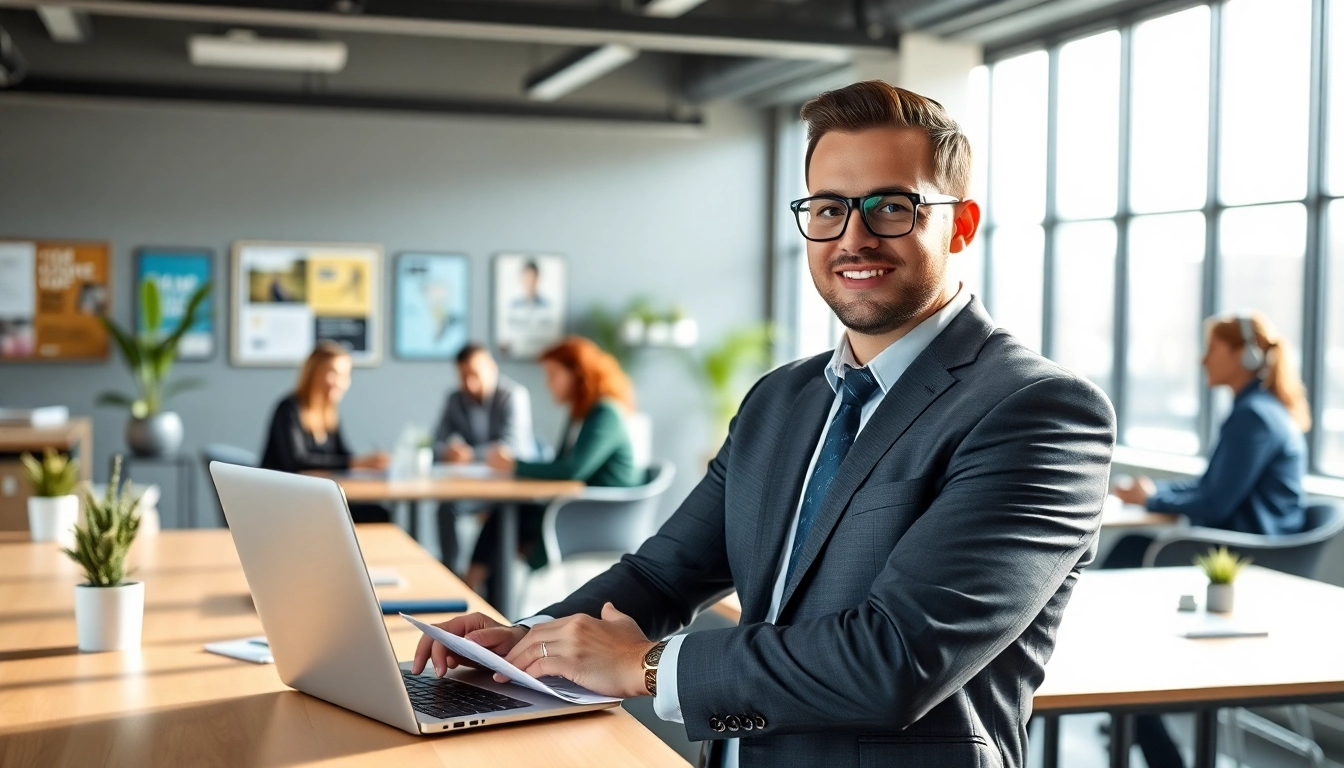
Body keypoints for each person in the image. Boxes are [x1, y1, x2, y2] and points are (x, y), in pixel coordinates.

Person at [413, 81, 1115, 768]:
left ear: (960, 223)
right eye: (829, 209)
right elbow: (663, 577)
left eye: (891, 208)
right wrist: (519, 639)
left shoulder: (1037, 411)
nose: (854, 237)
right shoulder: (783, 399)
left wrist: (645, 666)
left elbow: (895, 660)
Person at [1106, 311, 1310, 768]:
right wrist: (1156, 496)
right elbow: (1213, 487)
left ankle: (1133, 714)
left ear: (1246, 355)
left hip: (1246, 558)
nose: (1202, 360)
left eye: (1212, 350)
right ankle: (1133, 714)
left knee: (1128, 559)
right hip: (1249, 546)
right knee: (1131, 557)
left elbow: (1215, 502)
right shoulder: (1259, 411)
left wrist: (1154, 499)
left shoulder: (1253, 417)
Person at [462, 335, 640, 592]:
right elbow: (561, 465)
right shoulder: (582, 414)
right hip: (576, 508)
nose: (548, 384)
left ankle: (472, 588)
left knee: (505, 523)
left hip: (596, 517)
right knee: (504, 519)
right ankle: (479, 591)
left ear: (578, 374)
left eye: (553, 374)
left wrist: (514, 465)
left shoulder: (605, 413)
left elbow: (571, 470)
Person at [432, 342, 535, 572]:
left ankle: (492, 589)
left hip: (509, 491)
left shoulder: (513, 395)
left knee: (500, 517)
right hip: (474, 488)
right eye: (463, 376)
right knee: (446, 507)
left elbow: (512, 448)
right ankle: (451, 571)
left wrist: (469, 455)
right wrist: (447, 452)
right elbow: (435, 442)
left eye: (475, 375)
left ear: (492, 369)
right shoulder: (455, 399)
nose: (470, 383)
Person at [260, 340, 390, 523]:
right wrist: (355, 463)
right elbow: (298, 461)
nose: (341, 383)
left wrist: (369, 463)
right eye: (334, 374)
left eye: (345, 375)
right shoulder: (289, 409)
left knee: (379, 513)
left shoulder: (328, 413)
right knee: (375, 516)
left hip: (315, 495)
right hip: (286, 500)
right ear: (314, 374)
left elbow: (343, 453)